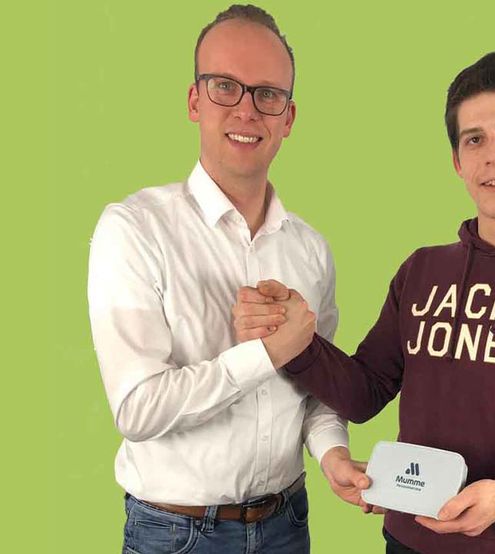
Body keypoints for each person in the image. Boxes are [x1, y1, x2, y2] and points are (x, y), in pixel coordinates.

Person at [236, 52, 495, 553]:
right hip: (404, 540)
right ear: (457, 161)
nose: (493, 155)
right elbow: (365, 392)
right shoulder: (422, 271)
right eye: (474, 139)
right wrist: (294, 338)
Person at [87, 5, 369, 553]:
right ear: (195, 100)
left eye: (268, 94)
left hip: (288, 524)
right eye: (225, 87)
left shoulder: (311, 249)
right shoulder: (134, 228)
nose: (247, 110)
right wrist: (267, 353)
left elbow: (320, 390)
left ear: (288, 117)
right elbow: (137, 409)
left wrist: (332, 453)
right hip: (174, 535)